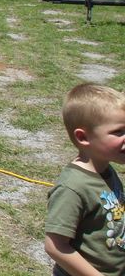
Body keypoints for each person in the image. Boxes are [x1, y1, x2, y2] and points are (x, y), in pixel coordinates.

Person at [44, 83, 125, 275]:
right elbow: (55, 246)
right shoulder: (73, 187)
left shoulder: (107, 171)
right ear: (83, 137)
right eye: (119, 132)